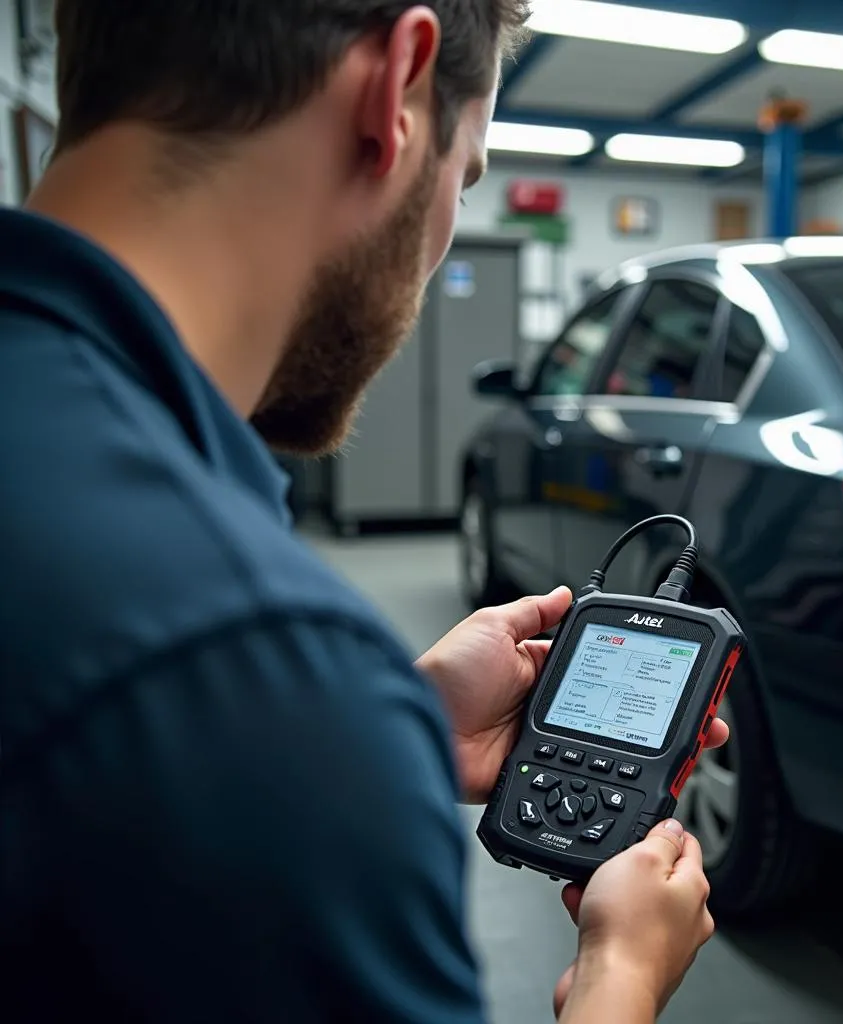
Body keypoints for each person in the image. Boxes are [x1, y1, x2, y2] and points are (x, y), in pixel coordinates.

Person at [0, 3, 727, 1021]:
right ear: (398, 89)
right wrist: (622, 979)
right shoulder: (252, 655)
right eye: (463, 173)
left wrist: (406, 728)